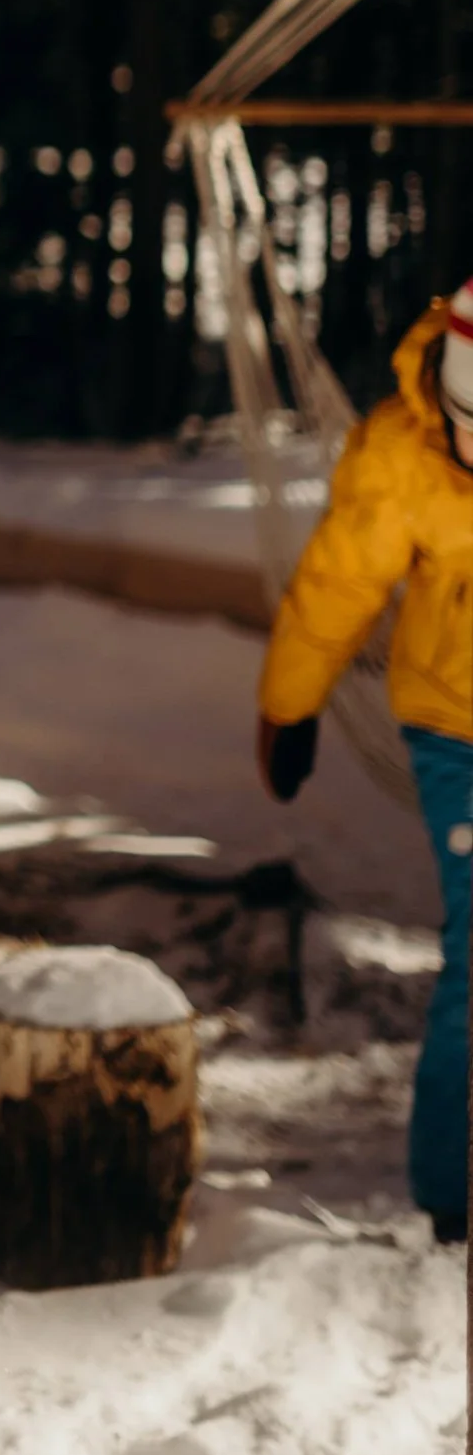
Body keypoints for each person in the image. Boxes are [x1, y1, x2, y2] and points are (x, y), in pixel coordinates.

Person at [257, 279, 473, 1243]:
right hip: (458, 729)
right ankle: (454, 1193)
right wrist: (290, 702)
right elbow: (341, 578)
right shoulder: (401, 449)